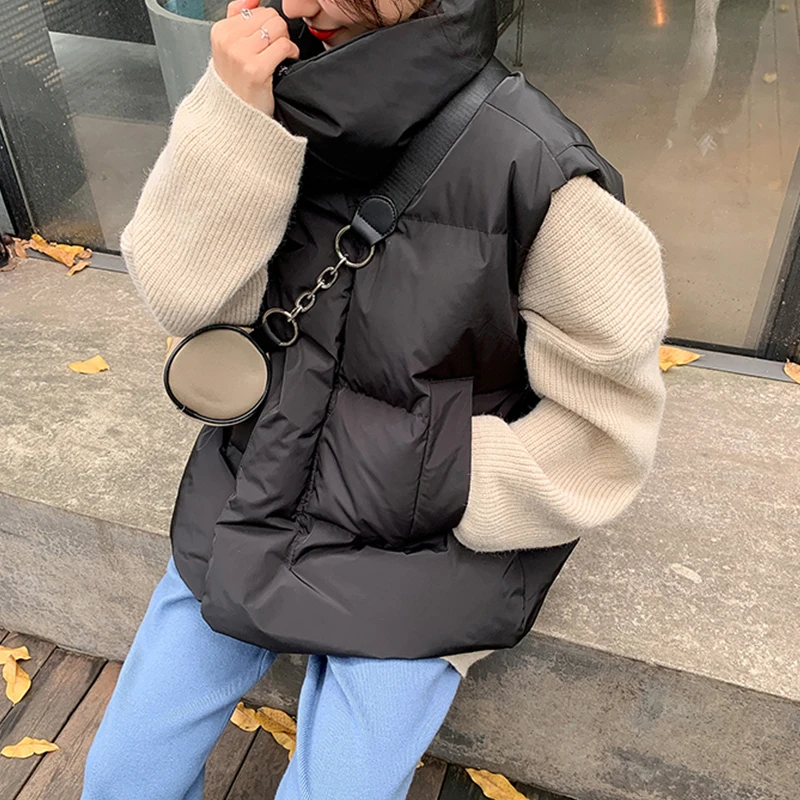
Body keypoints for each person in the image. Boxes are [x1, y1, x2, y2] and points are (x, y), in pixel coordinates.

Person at [81, 0, 669, 796]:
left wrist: (441, 478)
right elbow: (188, 303)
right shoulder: (267, 93)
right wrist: (231, 118)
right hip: (256, 490)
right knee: (123, 775)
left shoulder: (536, 167)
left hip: (422, 549)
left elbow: (607, 430)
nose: (300, 3)